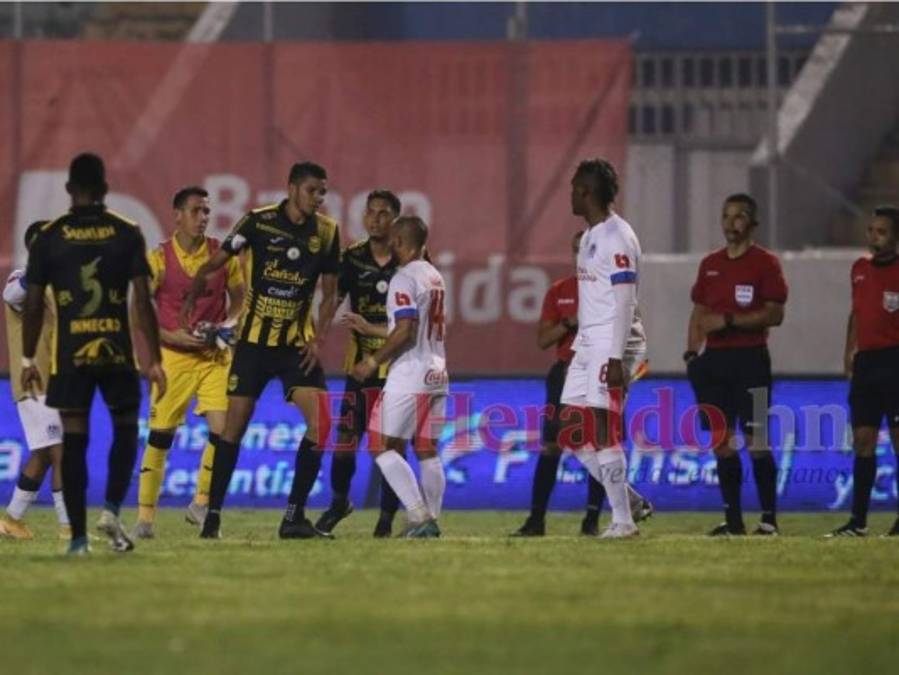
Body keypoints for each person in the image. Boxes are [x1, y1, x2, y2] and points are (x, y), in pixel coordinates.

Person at [181, 162, 340, 540]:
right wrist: (193, 295)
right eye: (313, 190)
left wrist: (318, 339)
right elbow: (215, 264)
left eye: (323, 192)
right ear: (292, 188)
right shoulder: (257, 222)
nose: (319, 198)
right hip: (253, 345)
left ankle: (293, 518)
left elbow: (331, 293)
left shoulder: (327, 232)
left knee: (322, 425)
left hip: (296, 347)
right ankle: (212, 517)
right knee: (233, 429)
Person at [21, 153, 166, 555]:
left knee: (73, 441)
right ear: (104, 188)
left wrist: (27, 359)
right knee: (125, 428)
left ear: (69, 189)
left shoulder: (49, 236)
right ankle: (112, 510)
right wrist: (154, 358)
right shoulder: (127, 232)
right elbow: (143, 302)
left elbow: (32, 304)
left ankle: (78, 541)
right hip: (116, 352)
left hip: (70, 355)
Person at [513, 229, 653, 537]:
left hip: (603, 365)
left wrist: (625, 366)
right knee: (567, 438)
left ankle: (606, 519)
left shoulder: (612, 286)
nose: (583, 256)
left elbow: (632, 327)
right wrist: (570, 322)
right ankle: (625, 501)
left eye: (588, 250)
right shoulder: (561, 290)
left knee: (601, 436)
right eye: (578, 250)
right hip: (570, 366)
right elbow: (543, 339)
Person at [132, 186, 245, 539]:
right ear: (177, 215)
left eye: (207, 211)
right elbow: (138, 310)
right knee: (160, 437)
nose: (203, 217)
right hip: (174, 359)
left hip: (214, 358)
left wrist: (228, 324)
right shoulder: (158, 259)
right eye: (196, 211)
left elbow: (240, 298)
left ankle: (200, 504)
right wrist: (170, 337)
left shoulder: (222, 255)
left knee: (224, 433)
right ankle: (145, 520)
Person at [685, 193, 787, 536]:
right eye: (726, 216)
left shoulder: (765, 264)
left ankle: (768, 521)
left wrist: (729, 320)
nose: (731, 223)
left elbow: (775, 314)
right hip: (714, 362)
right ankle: (734, 522)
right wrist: (691, 353)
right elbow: (699, 312)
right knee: (721, 441)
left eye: (739, 216)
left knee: (756, 440)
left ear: (753, 223)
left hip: (751, 359)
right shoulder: (710, 264)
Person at [555, 158, 642, 539]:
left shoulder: (617, 237)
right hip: (588, 342)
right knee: (570, 429)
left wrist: (616, 358)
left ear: (586, 191)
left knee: (603, 427)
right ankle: (628, 499)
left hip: (610, 341)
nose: (570, 195)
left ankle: (623, 522)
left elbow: (624, 301)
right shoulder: (591, 235)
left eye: (574, 188)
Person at [313, 190, 403, 538]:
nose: (375, 219)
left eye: (383, 213)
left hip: (399, 367)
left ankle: (386, 519)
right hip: (361, 367)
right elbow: (333, 299)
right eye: (371, 212)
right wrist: (318, 336)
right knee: (346, 439)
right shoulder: (352, 257)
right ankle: (339, 502)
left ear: (395, 219)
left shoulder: (410, 259)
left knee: (392, 444)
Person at [352, 216, 447, 538]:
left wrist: (372, 361)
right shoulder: (434, 275)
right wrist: (372, 328)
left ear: (399, 242)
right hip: (437, 371)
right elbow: (411, 327)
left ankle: (419, 516)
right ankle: (431, 520)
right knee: (426, 449)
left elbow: (405, 332)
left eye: (392, 239)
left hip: (410, 373)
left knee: (379, 445)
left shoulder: (403, 278)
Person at [827, 206, 899, 537]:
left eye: (881, 232)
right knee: (862, 440)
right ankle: (858, 522)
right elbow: (856, 313)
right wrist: (849, 351)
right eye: (871, 231)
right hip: (867, 363)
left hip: (895, 361)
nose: (874, 237)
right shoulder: (859, 269)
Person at [0, 221, 70, 540]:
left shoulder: (60, 286)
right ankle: (70, 528)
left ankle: (11, 521)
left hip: (58, 381)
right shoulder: (22, 279)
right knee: (61, 452)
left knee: (43, 455)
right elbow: (11, 294)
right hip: (34, 382)